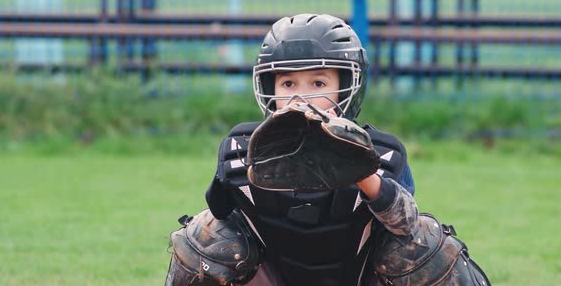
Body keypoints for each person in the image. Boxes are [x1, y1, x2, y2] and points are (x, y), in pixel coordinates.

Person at [165, 14, 489, 286]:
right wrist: (246, 173)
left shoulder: (378, 152)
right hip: (278, 276)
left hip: (359, 277)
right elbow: (221, 216)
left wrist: (362, 173)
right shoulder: (246, 149)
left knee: (424, 243)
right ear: (269, 90)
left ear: (347, 86)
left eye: (318, 84)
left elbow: (406, 226)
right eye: (288, 84)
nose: (301, 96)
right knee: (204, 238)